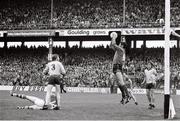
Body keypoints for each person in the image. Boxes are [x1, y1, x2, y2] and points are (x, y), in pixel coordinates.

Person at [110, 32, 130, 104]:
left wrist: (114, 37)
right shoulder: (119, 50)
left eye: (120, 43)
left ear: (122, 45)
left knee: (121, 82)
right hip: (116, 67)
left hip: (117, 67)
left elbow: (114, 44)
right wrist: (112, 38)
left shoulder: (121, 50)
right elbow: (111, 46)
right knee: (119, 83)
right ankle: (124, 96)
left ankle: (127, 95)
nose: (119, 44)